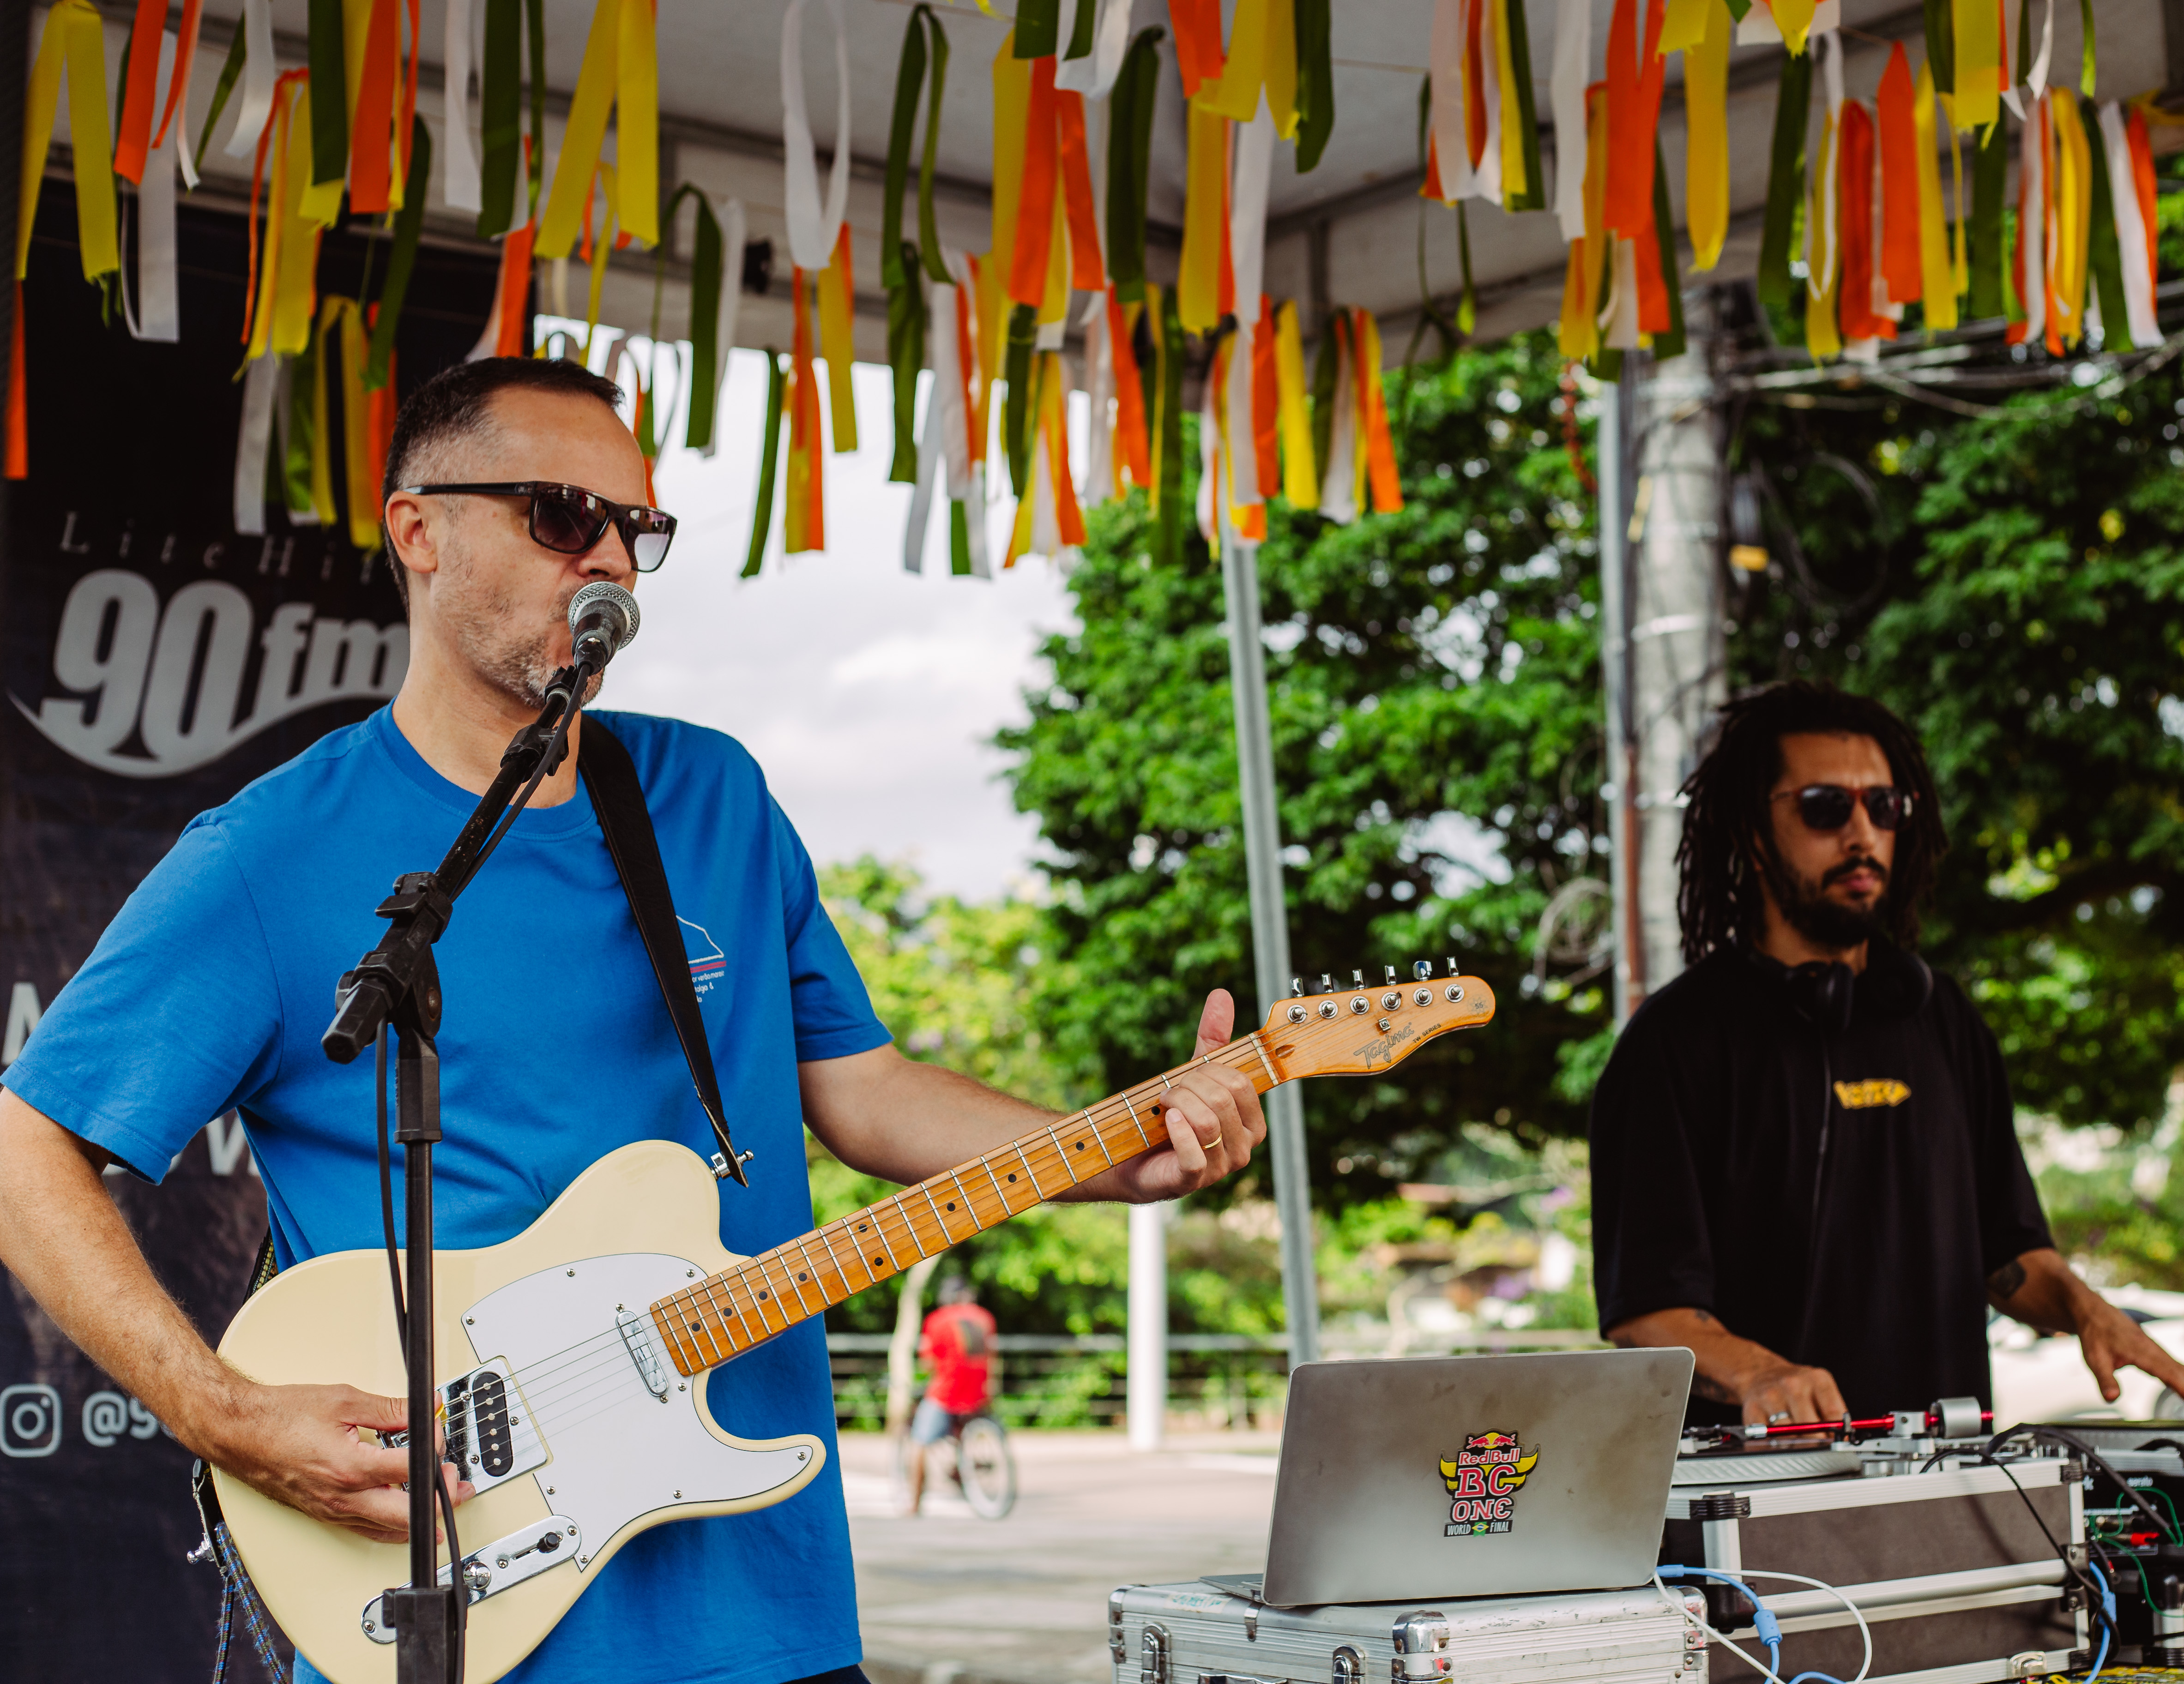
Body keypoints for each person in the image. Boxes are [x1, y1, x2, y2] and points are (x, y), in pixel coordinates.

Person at [0, 357, 1267, 1684]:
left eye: (635, 528)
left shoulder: (713, 798)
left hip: (770, 1616)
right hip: (458, 1605)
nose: (608, 557)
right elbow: (30, 1148)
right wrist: (224, 1415)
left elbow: (865, 1090)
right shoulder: (270, 854)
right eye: (561, 515)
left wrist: (1107, 1149)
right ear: (419, 531)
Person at [1590, 681, 2184, 1430]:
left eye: (1884, 807)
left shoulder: (1942, 1018)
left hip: (1948, 1471)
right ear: (1753, 834)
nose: (1862, 834)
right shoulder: (1676, 1041)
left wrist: (2086, 1309)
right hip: (1758, 1481)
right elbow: (1648, 1313)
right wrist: (1762, 1374)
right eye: (1826, 806)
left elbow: (2011, 1257)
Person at [904, 1276, 995, 1516]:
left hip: (947, 1393)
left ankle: (914, 1504)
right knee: (960, 1430)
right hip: (978, 1393)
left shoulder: (938, 1320)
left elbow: (928, 1364)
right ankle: (961, 1469)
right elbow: (992, 1355)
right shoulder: (984, 1318)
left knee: (919, 1442)